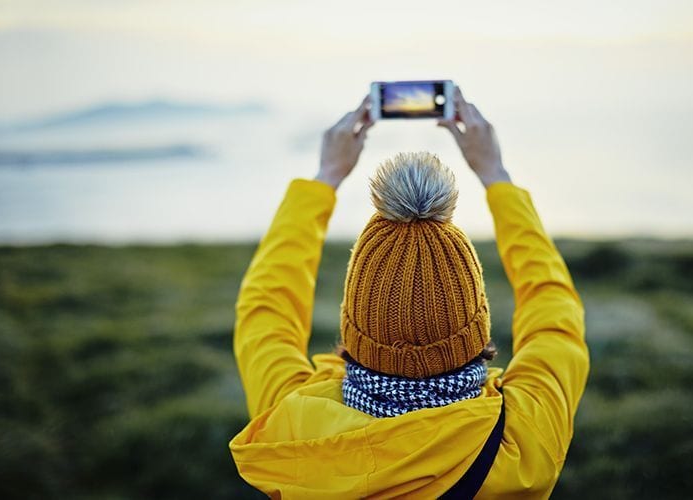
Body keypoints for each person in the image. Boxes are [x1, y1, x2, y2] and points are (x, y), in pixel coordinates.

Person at [229, 87, 590, 499]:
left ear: (354, 323)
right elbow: (553, 309)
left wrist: (325, 178)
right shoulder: (526, 435)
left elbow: (265, 309)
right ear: (476, 321)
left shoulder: (292, 423)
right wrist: (496, 177)